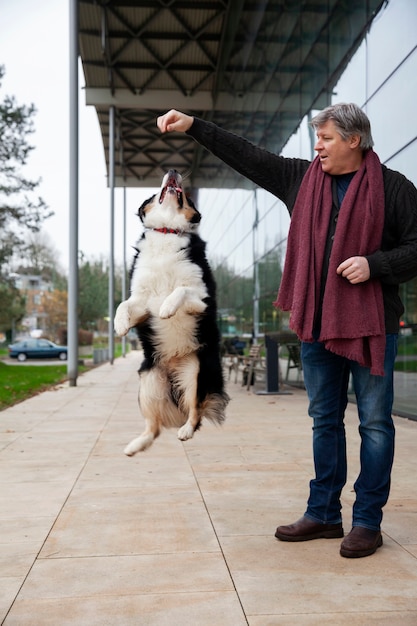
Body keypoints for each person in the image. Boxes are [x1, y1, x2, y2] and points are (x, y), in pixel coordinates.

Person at [157, 104, 417, 558]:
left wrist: (375, 265)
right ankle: (323, 514)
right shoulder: (301, 179)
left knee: (375, 425)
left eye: (327, 139)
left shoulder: (393, 188)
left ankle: (368, 523)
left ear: (354, 141)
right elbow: (246, 155)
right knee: (324, 421)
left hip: (372, 326)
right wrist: (194, 126)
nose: (318, 147)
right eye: (317, 139)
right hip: (316, 326)